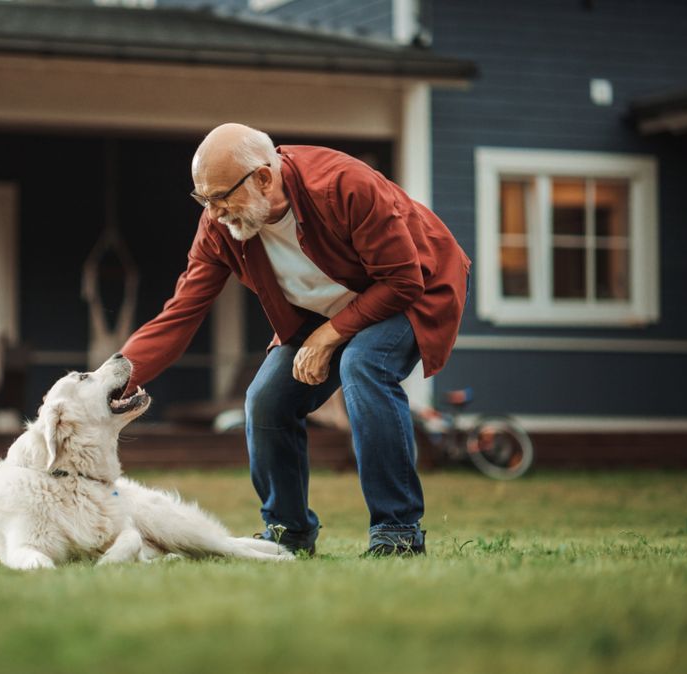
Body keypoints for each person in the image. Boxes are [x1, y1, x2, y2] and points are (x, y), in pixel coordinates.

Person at [120, 123, 470, 557]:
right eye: (203, 199)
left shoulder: (344, 184)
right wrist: (116, 378)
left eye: (221, 196)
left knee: (363, 364)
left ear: (264, 178)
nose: (213, 212)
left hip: (416, 286)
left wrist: (331, 335)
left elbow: (402, 279)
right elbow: (181, 312)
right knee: (266, 398)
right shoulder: (220, 226)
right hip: (326, 311)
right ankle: (288, 533)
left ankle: (397, 532)